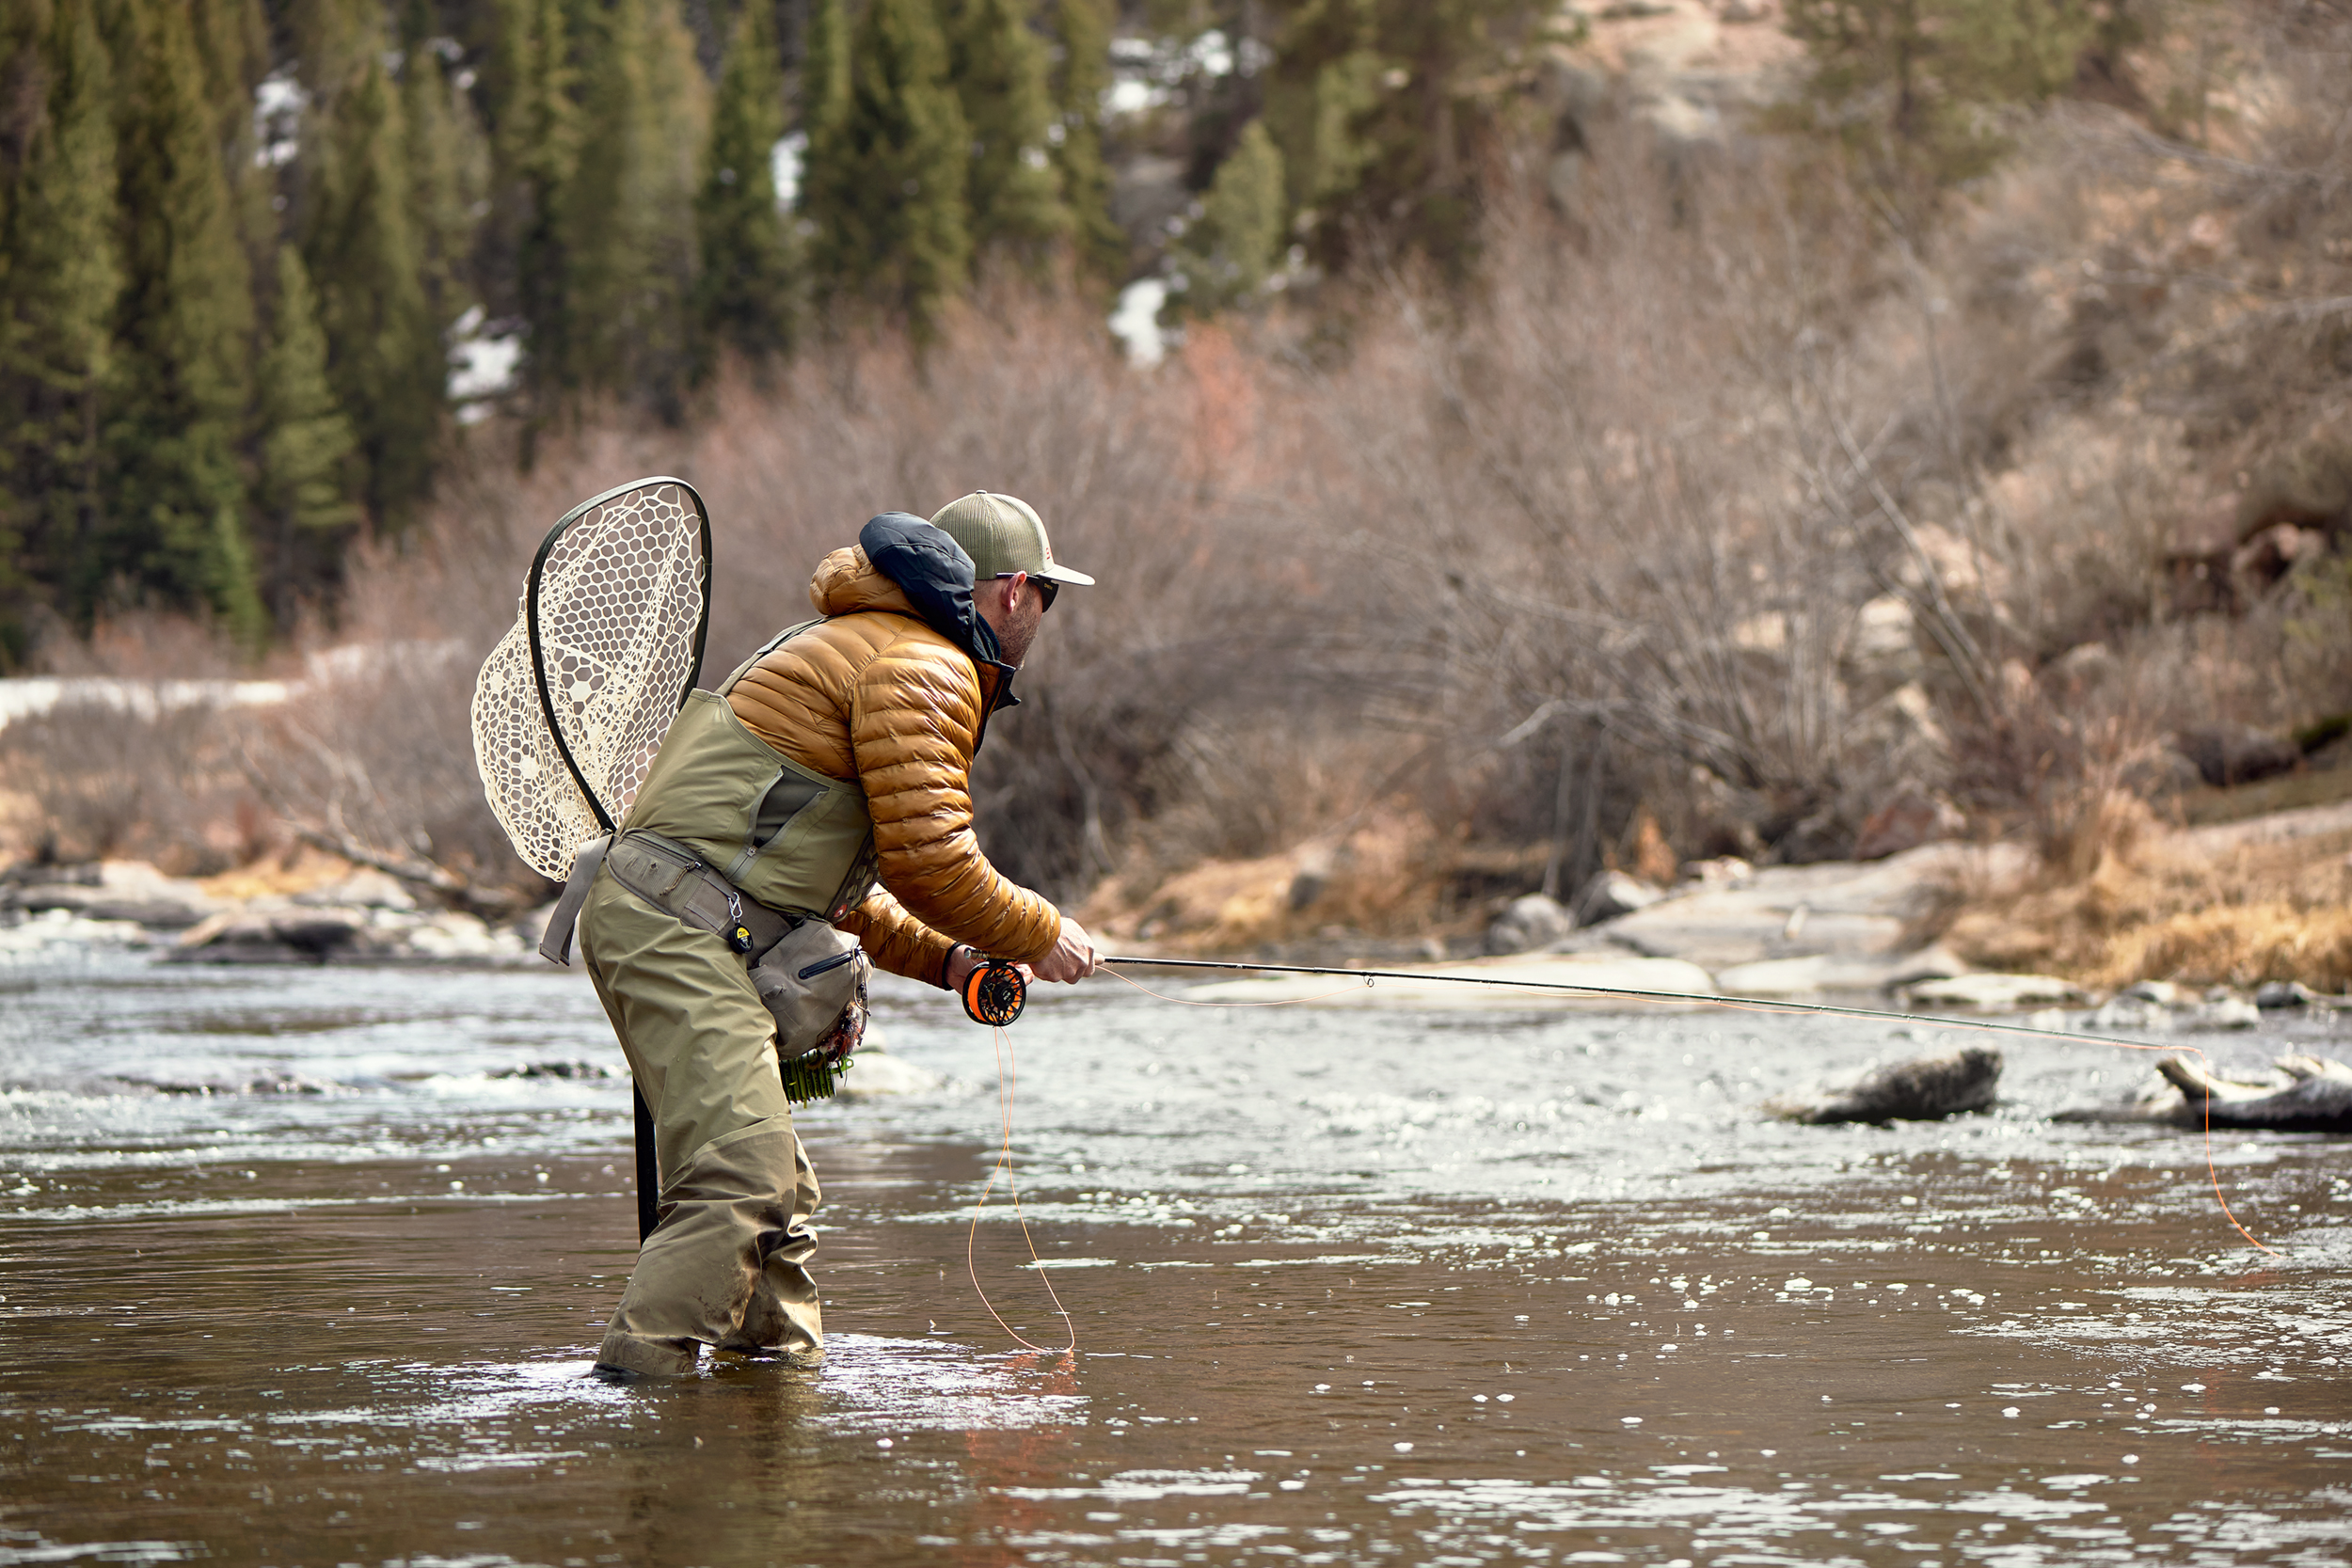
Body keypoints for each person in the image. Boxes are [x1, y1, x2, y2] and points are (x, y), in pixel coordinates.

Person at [572, 491, 1099, 1379]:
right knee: (745, 1176)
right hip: (678, 930)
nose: (1046, 612)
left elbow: (833, 886)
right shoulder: (923, 666)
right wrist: (1041, 929)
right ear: (1011, 593)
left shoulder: (868, 646)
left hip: (679, 919)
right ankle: (638, 1405)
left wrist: (954, 962)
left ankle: (773, 1393)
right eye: (1049, 592)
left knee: (778, 1193)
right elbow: (931, 859)